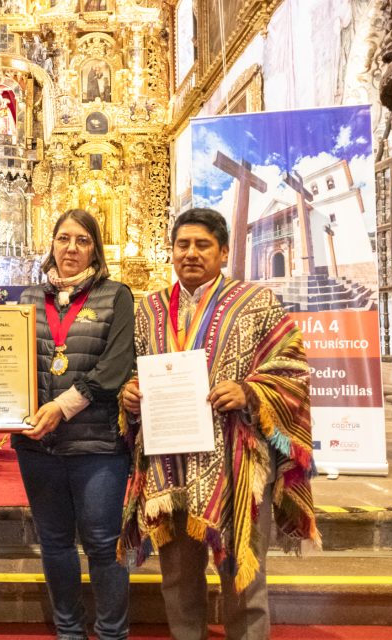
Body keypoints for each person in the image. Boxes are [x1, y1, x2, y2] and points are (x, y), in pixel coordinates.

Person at [118, 208, 321, 640]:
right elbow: (134, 368)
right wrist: (130, 393)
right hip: (168, 464)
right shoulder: (150, 309)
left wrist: (249, 392)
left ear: (224, 251)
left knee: (243, 575)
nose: (190, 254)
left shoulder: (257, 302)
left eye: (202, 245)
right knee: (176, 576)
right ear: (170, 251)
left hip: (237, 463)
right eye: (182, 245)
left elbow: (292, 370)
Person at [14, 209, 135, 640]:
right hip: (37, 447)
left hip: (97, 446)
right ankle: (68, 632)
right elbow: (9, 366)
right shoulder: (28, 299)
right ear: (51, 244)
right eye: (63, 238)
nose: (71, 248)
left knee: (103, 544)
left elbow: (116, 366)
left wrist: (62, 406)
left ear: (95, 248)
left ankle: (111, 633)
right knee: (55, 543)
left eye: (82, 240)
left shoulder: (116, 296)